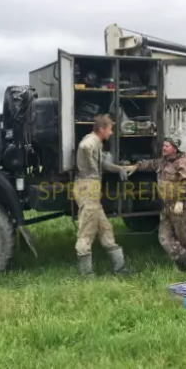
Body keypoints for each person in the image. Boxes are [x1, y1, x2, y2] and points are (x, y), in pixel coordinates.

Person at [124, 137, 186, 271]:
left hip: (179, 206)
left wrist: (180, 201)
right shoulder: (163, 162)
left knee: (184, 237)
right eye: (163, 146)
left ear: (174, 148)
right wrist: (136, 166)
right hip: (166, 206)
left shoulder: (182, 162)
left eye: (167, 146)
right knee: (164, 238)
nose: (164, 148)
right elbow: (150, 164)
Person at [73, 114, 130, 277]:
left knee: (106, 228)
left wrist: (118, 169)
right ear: (102, 129)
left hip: (91, 188)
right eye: (110, 129)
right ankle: (87, 274)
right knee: (87, 230)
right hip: (87, 187)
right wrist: (91, 167)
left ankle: (119, 268)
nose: (111, 133)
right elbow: (84, 147)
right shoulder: (91, 141)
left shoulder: (97, 143)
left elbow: (103, 163)